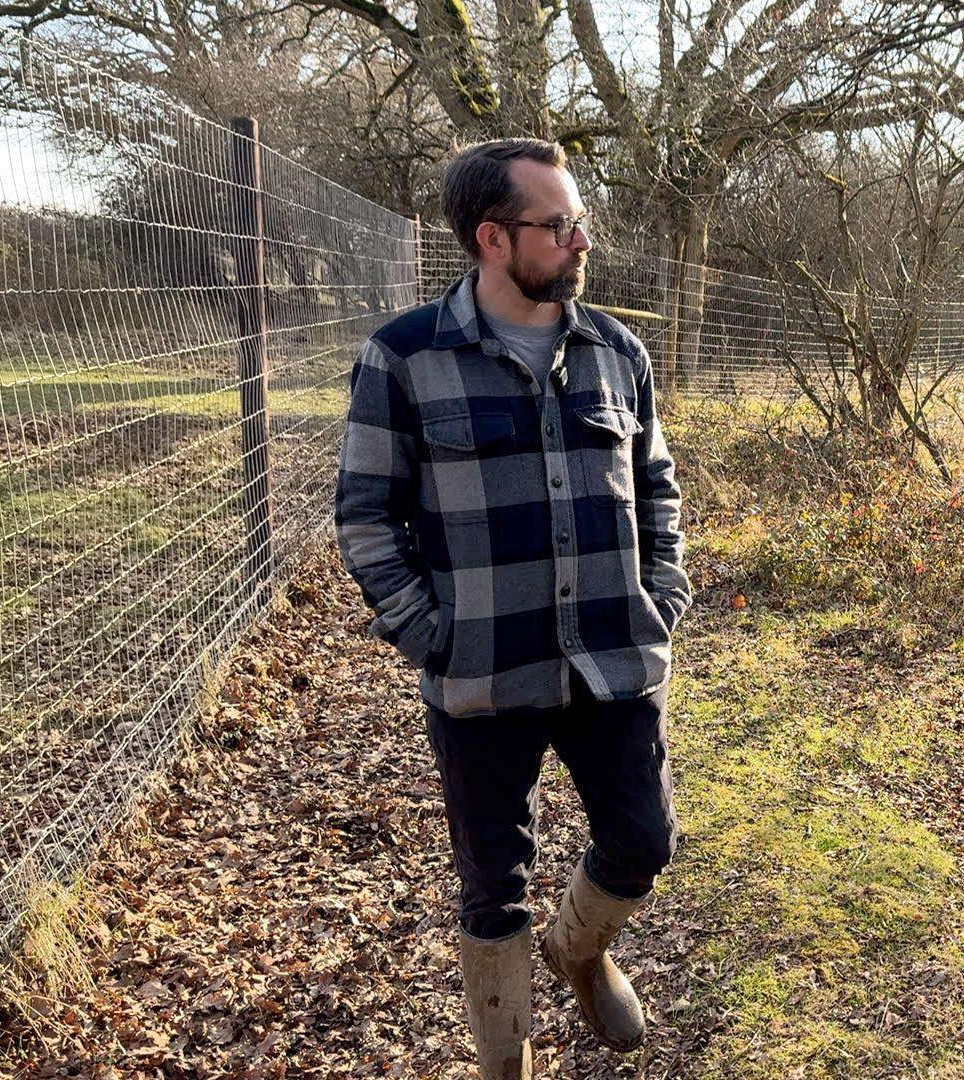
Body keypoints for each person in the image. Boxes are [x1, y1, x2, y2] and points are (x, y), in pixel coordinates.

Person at [333, 138, 692, 1078]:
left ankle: (580, 952)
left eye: (580, 221)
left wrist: (665, 592)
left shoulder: (617, 350)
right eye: (559, 224)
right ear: (493, 237)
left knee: (641, 841)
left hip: (614, 654)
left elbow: (656, 486)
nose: (580, 240)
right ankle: (508, 1059)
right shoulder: (405, 357)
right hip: (483, 671)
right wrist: (428, 635)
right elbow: (366, 515)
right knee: (493, 887)